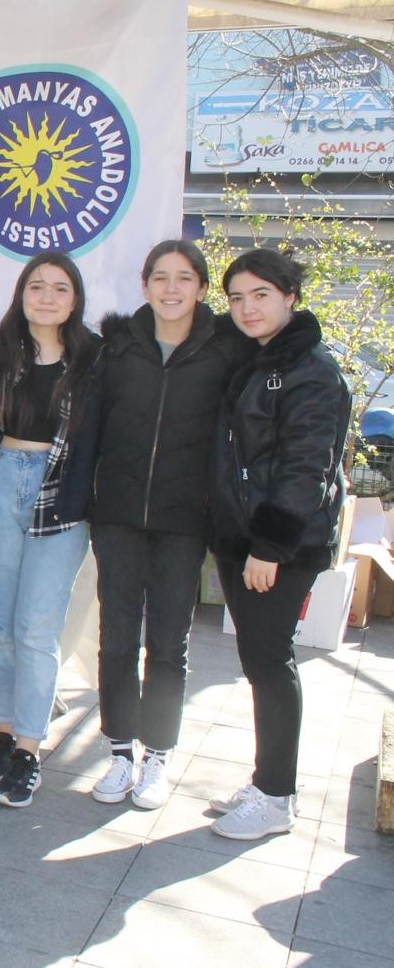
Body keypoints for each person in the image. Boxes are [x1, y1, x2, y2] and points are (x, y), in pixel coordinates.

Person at [89, 241, 252, 810]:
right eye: (160, 277)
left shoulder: (225, 350)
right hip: (117, 515)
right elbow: (92, 426)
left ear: (202, 288)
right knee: (116, 636)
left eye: (185, 278)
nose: (172, 288)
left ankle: (157, 754)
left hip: (185, 520)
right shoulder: (118, 347)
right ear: (145, 285)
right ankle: (118, 751)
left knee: (167, 643)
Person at [208, 248, 349, 841]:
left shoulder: (309, 369)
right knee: (259, 660)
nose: (247, 308)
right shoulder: (258, 358)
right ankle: (267, 780)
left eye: (261, 295)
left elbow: (305, 467)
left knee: (269, 661)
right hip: (243, 536)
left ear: (290, 296)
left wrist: (268, 547)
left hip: (277, 544)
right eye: (237, 298)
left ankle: (275, 797)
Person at [0, 251, 102, 808]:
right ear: (21, 293)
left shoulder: (95, 358)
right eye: (37, 286)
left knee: (36, 627)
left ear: (75, 298)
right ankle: (3, 732)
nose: (47, 297)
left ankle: (28, 751)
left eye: (60, 288)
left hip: (61, 492)